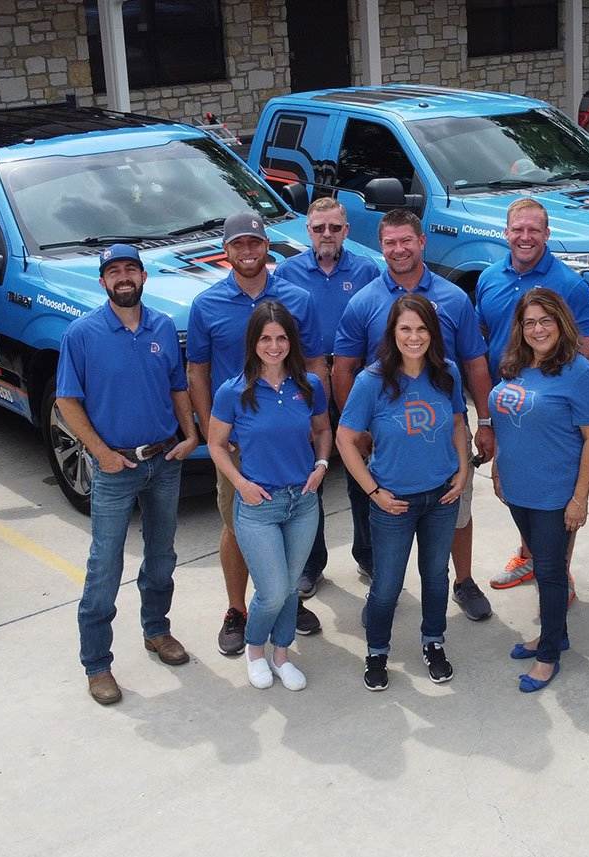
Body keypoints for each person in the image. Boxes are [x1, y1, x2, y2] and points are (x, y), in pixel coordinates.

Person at [333, 209, 494, 622]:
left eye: (407, 240)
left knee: (457, 509)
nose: (399, 249)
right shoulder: (363, 301)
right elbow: (343, 368)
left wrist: (486, 422)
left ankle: (463, 580)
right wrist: (361, 427)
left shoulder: (454, 298)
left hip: (444, 430)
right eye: (390, 242)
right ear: (381, 246)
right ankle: (385, 587)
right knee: (387, 514)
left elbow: (475, 362)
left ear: (422, 242)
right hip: (388, 436)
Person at [56, 244, 199, 705]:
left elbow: (179, 386)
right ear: (102, 281)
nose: (123, 278)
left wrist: (190, 435)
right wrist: (101, 454)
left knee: (161, 558)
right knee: (104, 567)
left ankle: (156, 631)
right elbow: (67, 401)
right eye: (113, 271)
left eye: (130, 270)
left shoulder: (160, 327)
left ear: (143, 277)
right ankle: (97, 664)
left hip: (164, 461)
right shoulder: (82, 334)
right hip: (116, 468)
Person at [187, 211, 328, 655]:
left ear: (266, 246)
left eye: (254, 243)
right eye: (238, 245)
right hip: (239, 440)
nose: (247, 252)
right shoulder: (206, 305)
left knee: (292, 522)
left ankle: (283, 600)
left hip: (287, 435)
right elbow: (197, 371)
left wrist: (308, 425)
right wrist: (217, 433)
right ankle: (238, 610)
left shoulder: (297, 299)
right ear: (226, 251)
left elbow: (314, 365)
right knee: (235, 524)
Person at [337, 294, 471, 691]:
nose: (414, 337)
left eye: (422, 329)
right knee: (387, 584)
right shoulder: (372, 381)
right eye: (405, 329)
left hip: (441, 496)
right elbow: (345, 439)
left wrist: (463, 471)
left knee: (435, 577)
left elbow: (459, 422)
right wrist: (373, 491)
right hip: (393, 502)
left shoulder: (446, 372)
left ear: (433, 333)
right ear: (392, 333)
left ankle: (433, 641)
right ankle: (377, 650)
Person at [475, 198, 589, 594]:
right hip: (510, 406)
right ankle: (529, 558)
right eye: (518, 229)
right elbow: (484, 340)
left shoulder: (569, 284)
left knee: (558, 500)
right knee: (522, 489)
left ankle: (558, 575)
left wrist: (551, 391)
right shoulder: (489, 278)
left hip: (553, 411)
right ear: (506, 232)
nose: (525, 237)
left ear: (547, 234)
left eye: (534, 230)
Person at [207, 302, 331, 691]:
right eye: (265, 339)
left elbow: (324, 430)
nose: (274, 346)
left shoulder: (308, 386)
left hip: (302, 503)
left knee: (291, 586)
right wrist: (240, 483)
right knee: (273, 589)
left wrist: (322, 465)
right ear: (253, 342)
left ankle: (281, 654)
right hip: (259, 506)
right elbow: (216, 444)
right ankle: (255, 649)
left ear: (291, 342)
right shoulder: (234, 391)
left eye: (281, 338)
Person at [489, 288, 589, 692]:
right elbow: (505, 416)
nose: (538, 329)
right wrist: (499, 467)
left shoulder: (578, 372)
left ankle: (548, 655)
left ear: (561, 323)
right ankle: (556, 634)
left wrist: (580, 497)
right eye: (529, 322)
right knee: (541, 565)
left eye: (546, 321)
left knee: (552, 573)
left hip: (556, 494)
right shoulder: (516, 365)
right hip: (518, 488)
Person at [278, 198, 380, 598]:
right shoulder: (286, 274)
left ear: (346, 231)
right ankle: (310, 563)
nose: (326, 235)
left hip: (355, 382)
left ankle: (368, 554)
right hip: (306, 386)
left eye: (334, 228)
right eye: (319, 228)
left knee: (362, 470)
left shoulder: (368, 270)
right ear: (308, 230)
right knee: (311, 478)